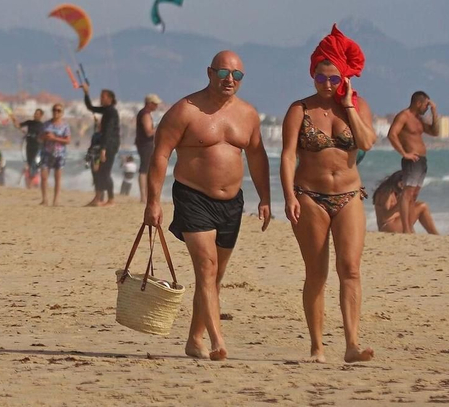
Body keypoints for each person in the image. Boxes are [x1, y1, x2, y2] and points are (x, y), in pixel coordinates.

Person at [145, 50, 272, 362]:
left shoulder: (248, 114)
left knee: (215, 277)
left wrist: (266, 198)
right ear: (209, 72)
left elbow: (257, 156)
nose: (230, 80)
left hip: (232, 203)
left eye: (237, 75)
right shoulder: (185, 110)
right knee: (206, 268)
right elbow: (160, 155)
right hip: (193, 196)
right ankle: (218, 341)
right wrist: (153, 202)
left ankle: (194, 339)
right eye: (223, 73)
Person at [280, 25, 377, 364]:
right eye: (320, 78)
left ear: (345, 78)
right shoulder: (299, 110)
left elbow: (367, 142)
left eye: (333, 79)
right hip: (310, 196)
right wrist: (288, 197)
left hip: (349, 195)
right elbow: (288, 155)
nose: (326, 85)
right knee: (316, 272)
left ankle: (352, 344)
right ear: (313, 76)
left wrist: (348, 105)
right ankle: (317, 346)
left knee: (350, 269)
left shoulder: (358, 106)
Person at [386, 91, 439, 235]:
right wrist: (404, 153)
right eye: (426, 105)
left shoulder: (419, 120)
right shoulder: (404, 116)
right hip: (411, 159)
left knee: (414, 195)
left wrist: (434, 111)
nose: (426, 108)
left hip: (422, 160)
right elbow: (391, 134)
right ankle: (407, 229)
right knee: (407, 193)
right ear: (418, 103)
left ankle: (409, 227)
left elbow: (435, 132)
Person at [81, 84, 121, 206]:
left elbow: (108, 131)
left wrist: (103, 149)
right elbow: (90, 107)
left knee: (105, 171)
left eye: (103, 97)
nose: (101, 99)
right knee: (97, 171)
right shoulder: (106, 110)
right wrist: (86, 93)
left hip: (109, 145)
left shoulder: (111, 112)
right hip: (105, 144)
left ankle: (111, 199)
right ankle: (98, 197)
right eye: (101, 96)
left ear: (110, 98)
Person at [372, 171, 439, 234]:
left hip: (394, 222)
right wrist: (399, 205)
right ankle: (434, 234)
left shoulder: (396, 192)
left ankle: (430, 232)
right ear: (397, 182)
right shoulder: (386, 193)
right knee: (422, 206)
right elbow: (385, 217)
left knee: (416, 206)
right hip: (387, 226)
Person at [39, 104, 72, 206]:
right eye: (54, 110)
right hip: (46, 152)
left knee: (57, 178)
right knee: (44, 176)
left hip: (60, 154)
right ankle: (45, 199)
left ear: (62, 113)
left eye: (58, 111)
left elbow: (68, 140)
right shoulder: (46, 124)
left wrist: (54, 138)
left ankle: (56, 200)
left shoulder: (65, 126)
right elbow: (39, 138)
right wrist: (44, 137)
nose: (56, 112)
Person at [136, 94, 161, 193]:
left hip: (143, 143)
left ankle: (144, 194)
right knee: (144, 169)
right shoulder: (145, 114)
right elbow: (149, 132)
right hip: (145, 144)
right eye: (155, 104)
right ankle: (143, 195)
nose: (156, 106)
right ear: (149, 103)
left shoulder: (144, 113)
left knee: (145, 168)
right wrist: (159, 128)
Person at [19, 107, 46, 181]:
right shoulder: (29, 122)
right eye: (35, 113)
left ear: (41, 115)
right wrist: (13, 120)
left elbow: (44, 136)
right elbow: (19, 125)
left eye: (37, 114)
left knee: (35, 163)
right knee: (29, 162)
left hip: (37, 147)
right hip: (29, 145)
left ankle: (37, 178)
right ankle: (30, 180)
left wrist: (39, 138)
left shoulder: (42, 125)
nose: (35, 115)